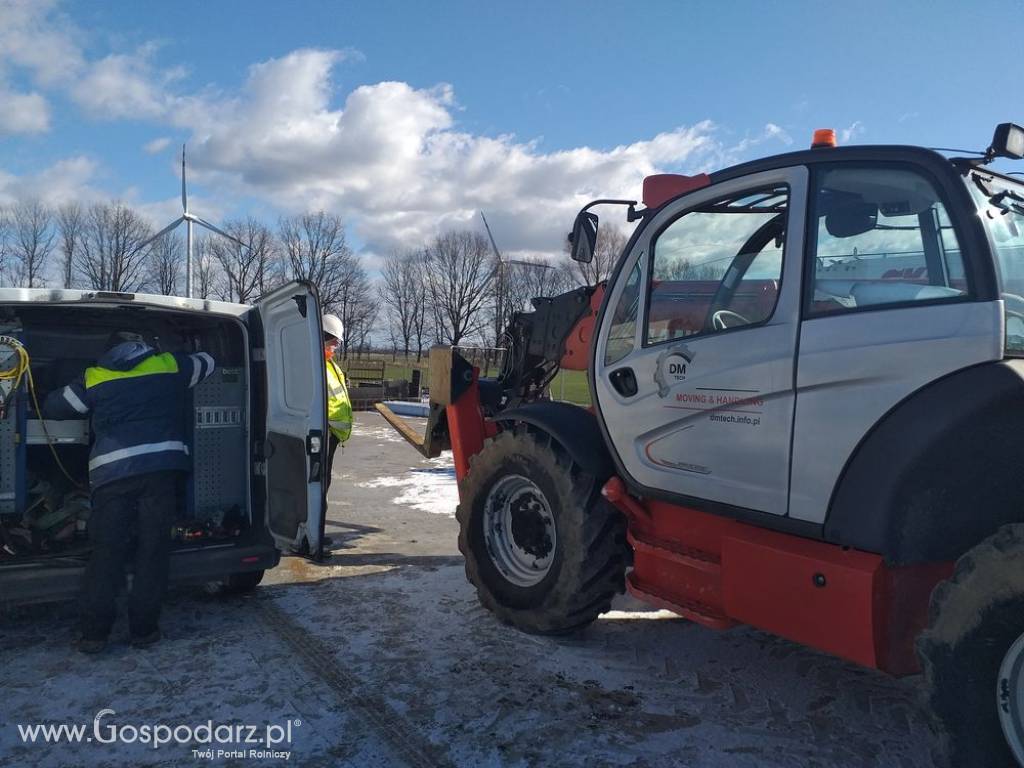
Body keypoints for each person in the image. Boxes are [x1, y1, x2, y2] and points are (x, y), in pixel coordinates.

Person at [44, 331, 216, 654]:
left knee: (107, 553)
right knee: (152, 551)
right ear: (143, 346)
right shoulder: (166, 365)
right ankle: (144, 631)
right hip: (160, 471)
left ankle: (94, 635)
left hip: (112, 476)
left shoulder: (95, 375)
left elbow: (57, 405)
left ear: (108, 352)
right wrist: (191, 347)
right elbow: (208, 363)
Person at [322, 314, 353, 501]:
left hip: (332, 433)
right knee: (320, 479)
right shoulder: (315, 364)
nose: (335, 347)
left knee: (325, 478)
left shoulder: (330, 365)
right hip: (323, 431)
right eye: (334, 342)